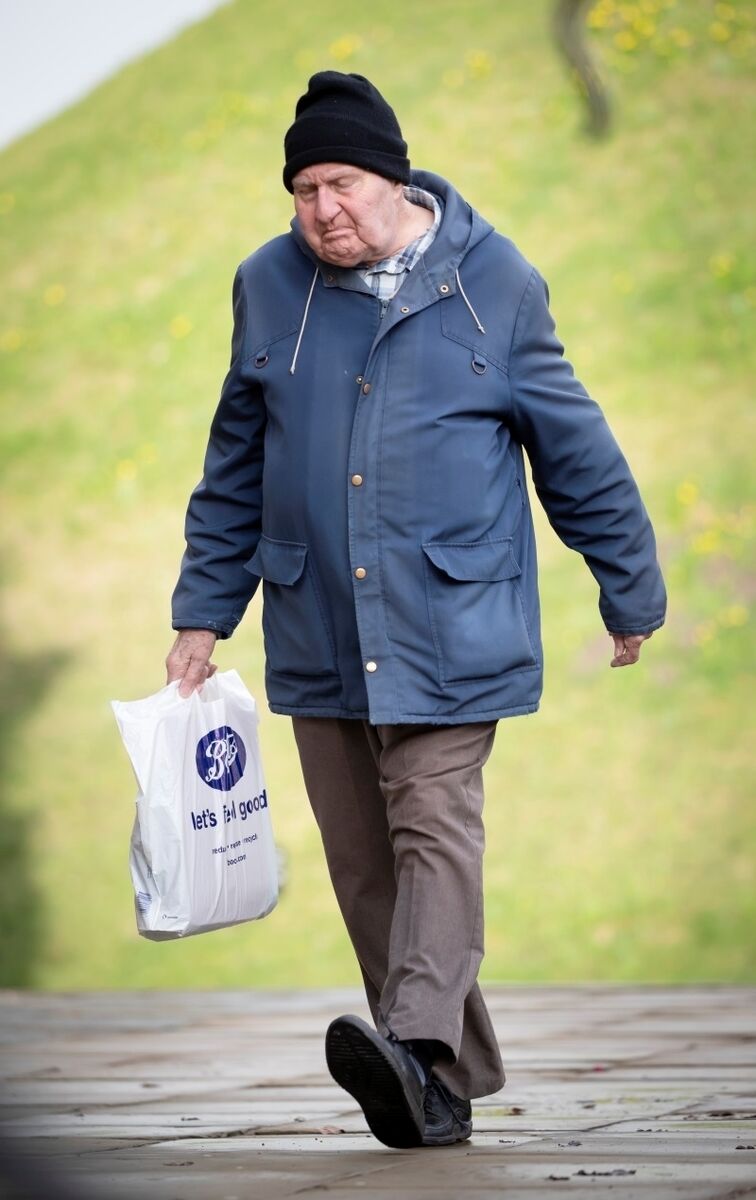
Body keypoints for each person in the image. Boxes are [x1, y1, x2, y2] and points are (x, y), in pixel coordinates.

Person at [166, 71, 666, 1149]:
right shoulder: (269, 283)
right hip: (319, 625)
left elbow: (574, 448)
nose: (320, 209)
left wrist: (627, 586)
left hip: (452, 620)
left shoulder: (495, 283)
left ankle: (418, 1048)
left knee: (434, 828)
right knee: (364, 864)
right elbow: (236, 463)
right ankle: (438, 1080)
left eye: (339, 181)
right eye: (301, 189)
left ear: (392, 177)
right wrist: (205, 611)